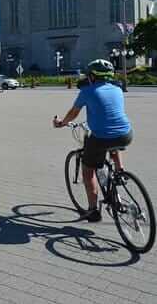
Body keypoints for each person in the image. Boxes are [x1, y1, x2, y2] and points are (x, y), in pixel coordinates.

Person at [53, 59, 132, 223]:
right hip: (126, 134)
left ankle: (93, 211)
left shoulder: (87, 91)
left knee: (88, 171)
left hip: (101, 138)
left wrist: (62, 123)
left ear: (93, 76)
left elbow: (74, 113)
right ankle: (120, 172)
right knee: (113, 142)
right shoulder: (117, 89)